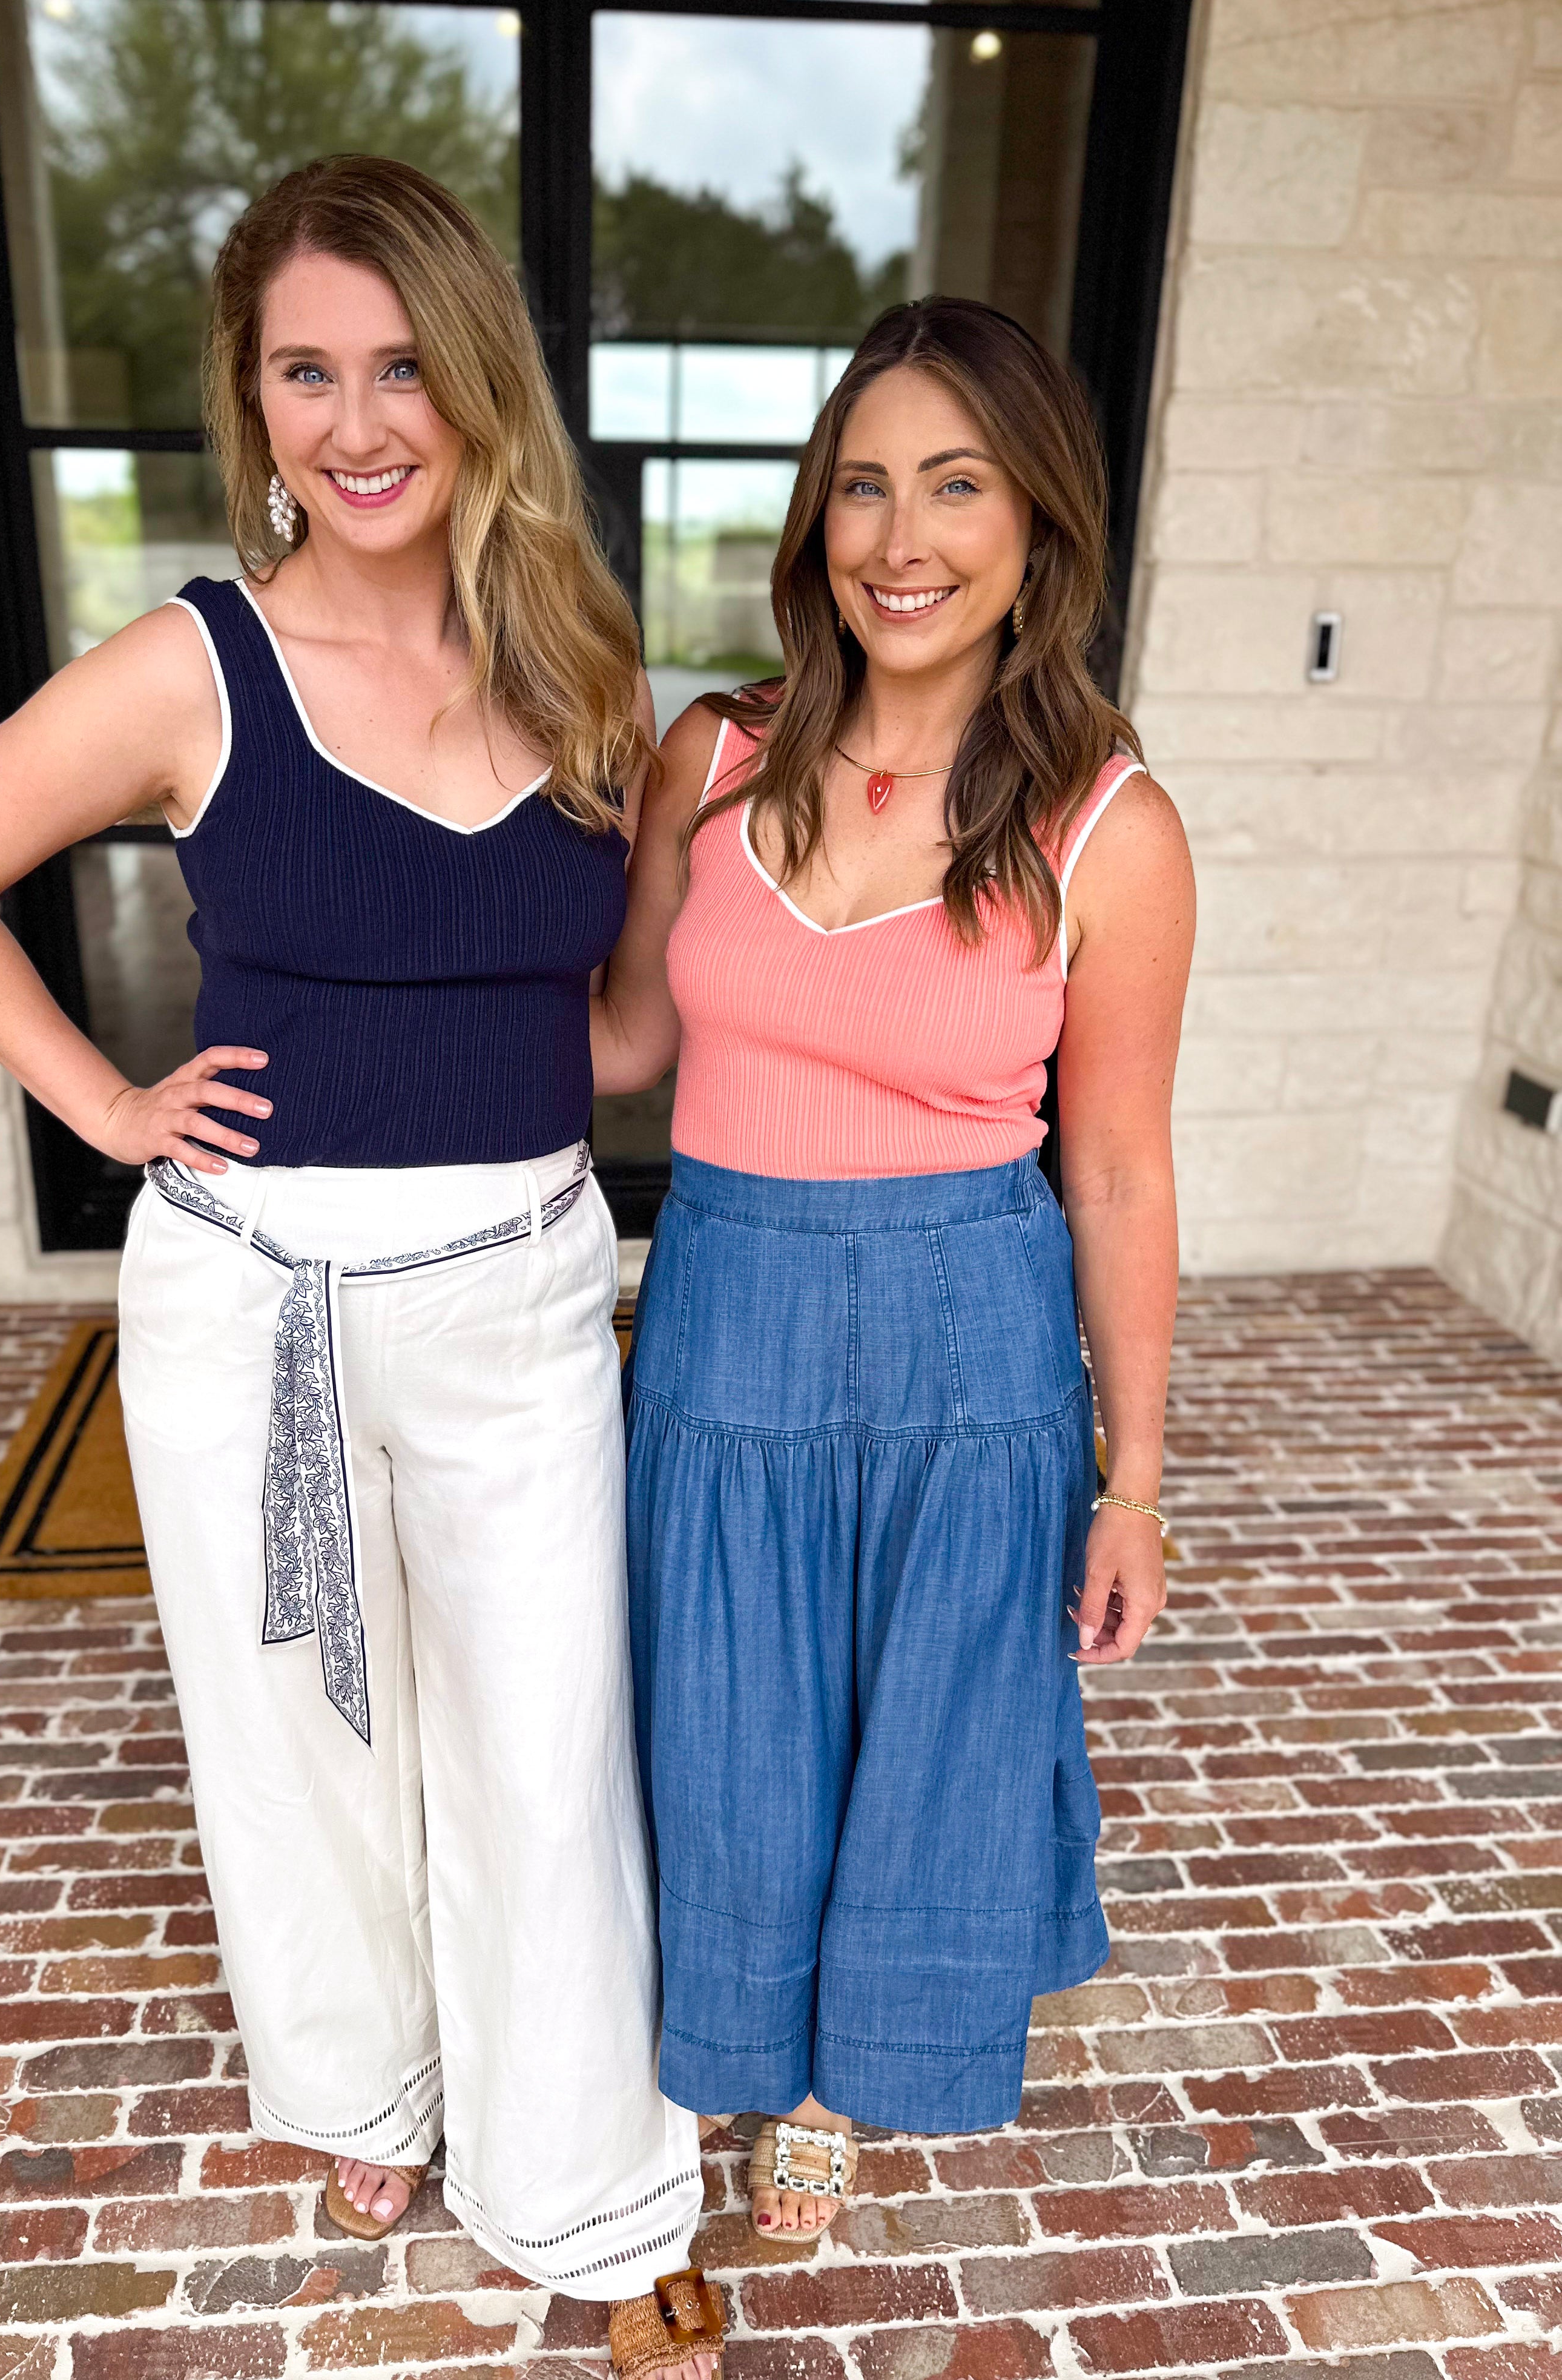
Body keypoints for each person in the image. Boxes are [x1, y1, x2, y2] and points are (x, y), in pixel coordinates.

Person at [0, 153, 722, 2380]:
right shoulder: (192, 664)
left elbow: (611, 1033)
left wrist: (788, 935)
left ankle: (585, 2181)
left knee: (544, 1743)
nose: (361, 420)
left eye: (407, 364)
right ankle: (367, 2087)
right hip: (257, 1284)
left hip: (525, 1275)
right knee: (301, 1735)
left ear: (482, 389)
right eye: (306, 369)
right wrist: (110, 1105)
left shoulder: (584, 667)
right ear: (254, 404)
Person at [596, 297, 1195, 2242]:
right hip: (726, 1325)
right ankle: (745, 2043)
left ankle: (852, 2085)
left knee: (928, 1741)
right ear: (811, 521)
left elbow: (1111, 1166)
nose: (901, 537)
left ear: (1040, 525)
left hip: (970, 1351)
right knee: (729, 1730)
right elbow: (611, 1044)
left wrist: (1136, 1482)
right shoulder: (713, 755)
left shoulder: (1113, 823)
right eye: (862, 486)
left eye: (957, 484)